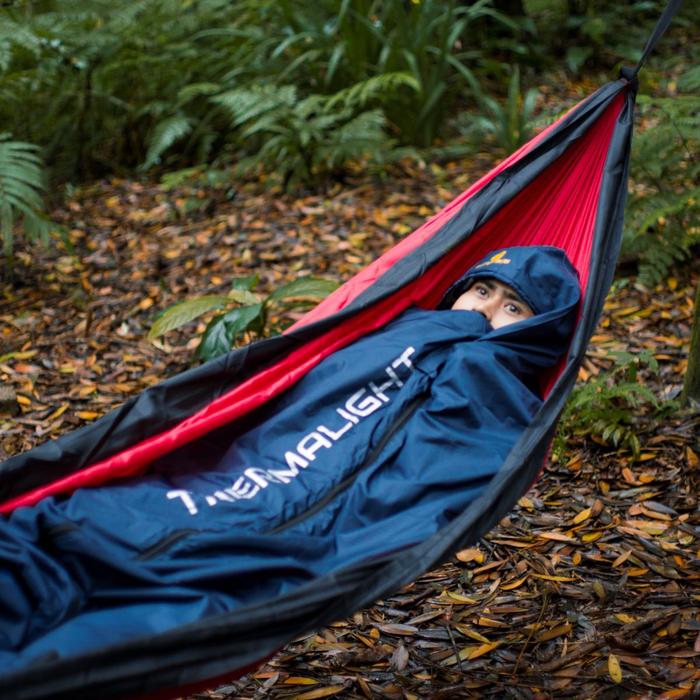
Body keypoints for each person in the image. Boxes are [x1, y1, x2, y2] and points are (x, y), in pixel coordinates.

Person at [0, 245, 580, 672]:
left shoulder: (504, 402)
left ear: (540, 334)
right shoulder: (398, 328)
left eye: (512, 307)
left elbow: (435, 478)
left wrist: (472, 357)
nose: (484, 312)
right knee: (61, 531)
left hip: (296, 540)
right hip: (222, 485)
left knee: (124, 626)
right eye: (481, 291)